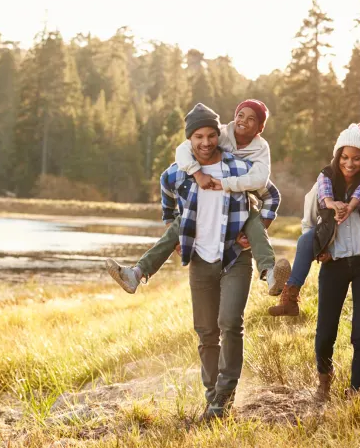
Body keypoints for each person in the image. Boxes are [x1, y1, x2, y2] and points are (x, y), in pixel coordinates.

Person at [116, 104, 281, 420]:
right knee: (206, 332)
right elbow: (166, 192)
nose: (205, 142)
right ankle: (213, 399)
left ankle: (225, 394)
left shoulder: (238, 168)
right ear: (189, 140)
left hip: (235, 257)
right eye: (198, 137)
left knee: (230, 324)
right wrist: (172, 228)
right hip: (200, 260)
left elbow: (271, 194)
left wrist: (264, 224)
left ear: (219, 136)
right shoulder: (180, 170)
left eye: (210, 135)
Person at [106, 100, 290, 297]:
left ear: (260, 128)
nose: (243, 121)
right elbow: (183, 151)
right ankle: (135, 274)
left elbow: (264, 183)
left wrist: (258, 226)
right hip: (203, 205)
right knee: (180, 224)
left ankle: (270, 274)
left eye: (251, 119)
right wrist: (197, 174)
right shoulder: (218, 135)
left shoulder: (259, 150)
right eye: (240, 115)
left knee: (254, 222)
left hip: (241, 203)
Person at [280, 124, 360, 399]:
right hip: (333, 265)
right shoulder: (323, 186)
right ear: (338, 155)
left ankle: (357, 390)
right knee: (325, 330)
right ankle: (324, 384)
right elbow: (307, 224)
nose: (350, 162)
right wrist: (318, 249)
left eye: (358, 157)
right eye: (345, 157)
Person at [268, 121, 360, 317]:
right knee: (305, 240)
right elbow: (311, 215)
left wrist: (351, 206)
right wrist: (321, 246)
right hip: (333, 245)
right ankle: (290, 294)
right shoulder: (329, 175)